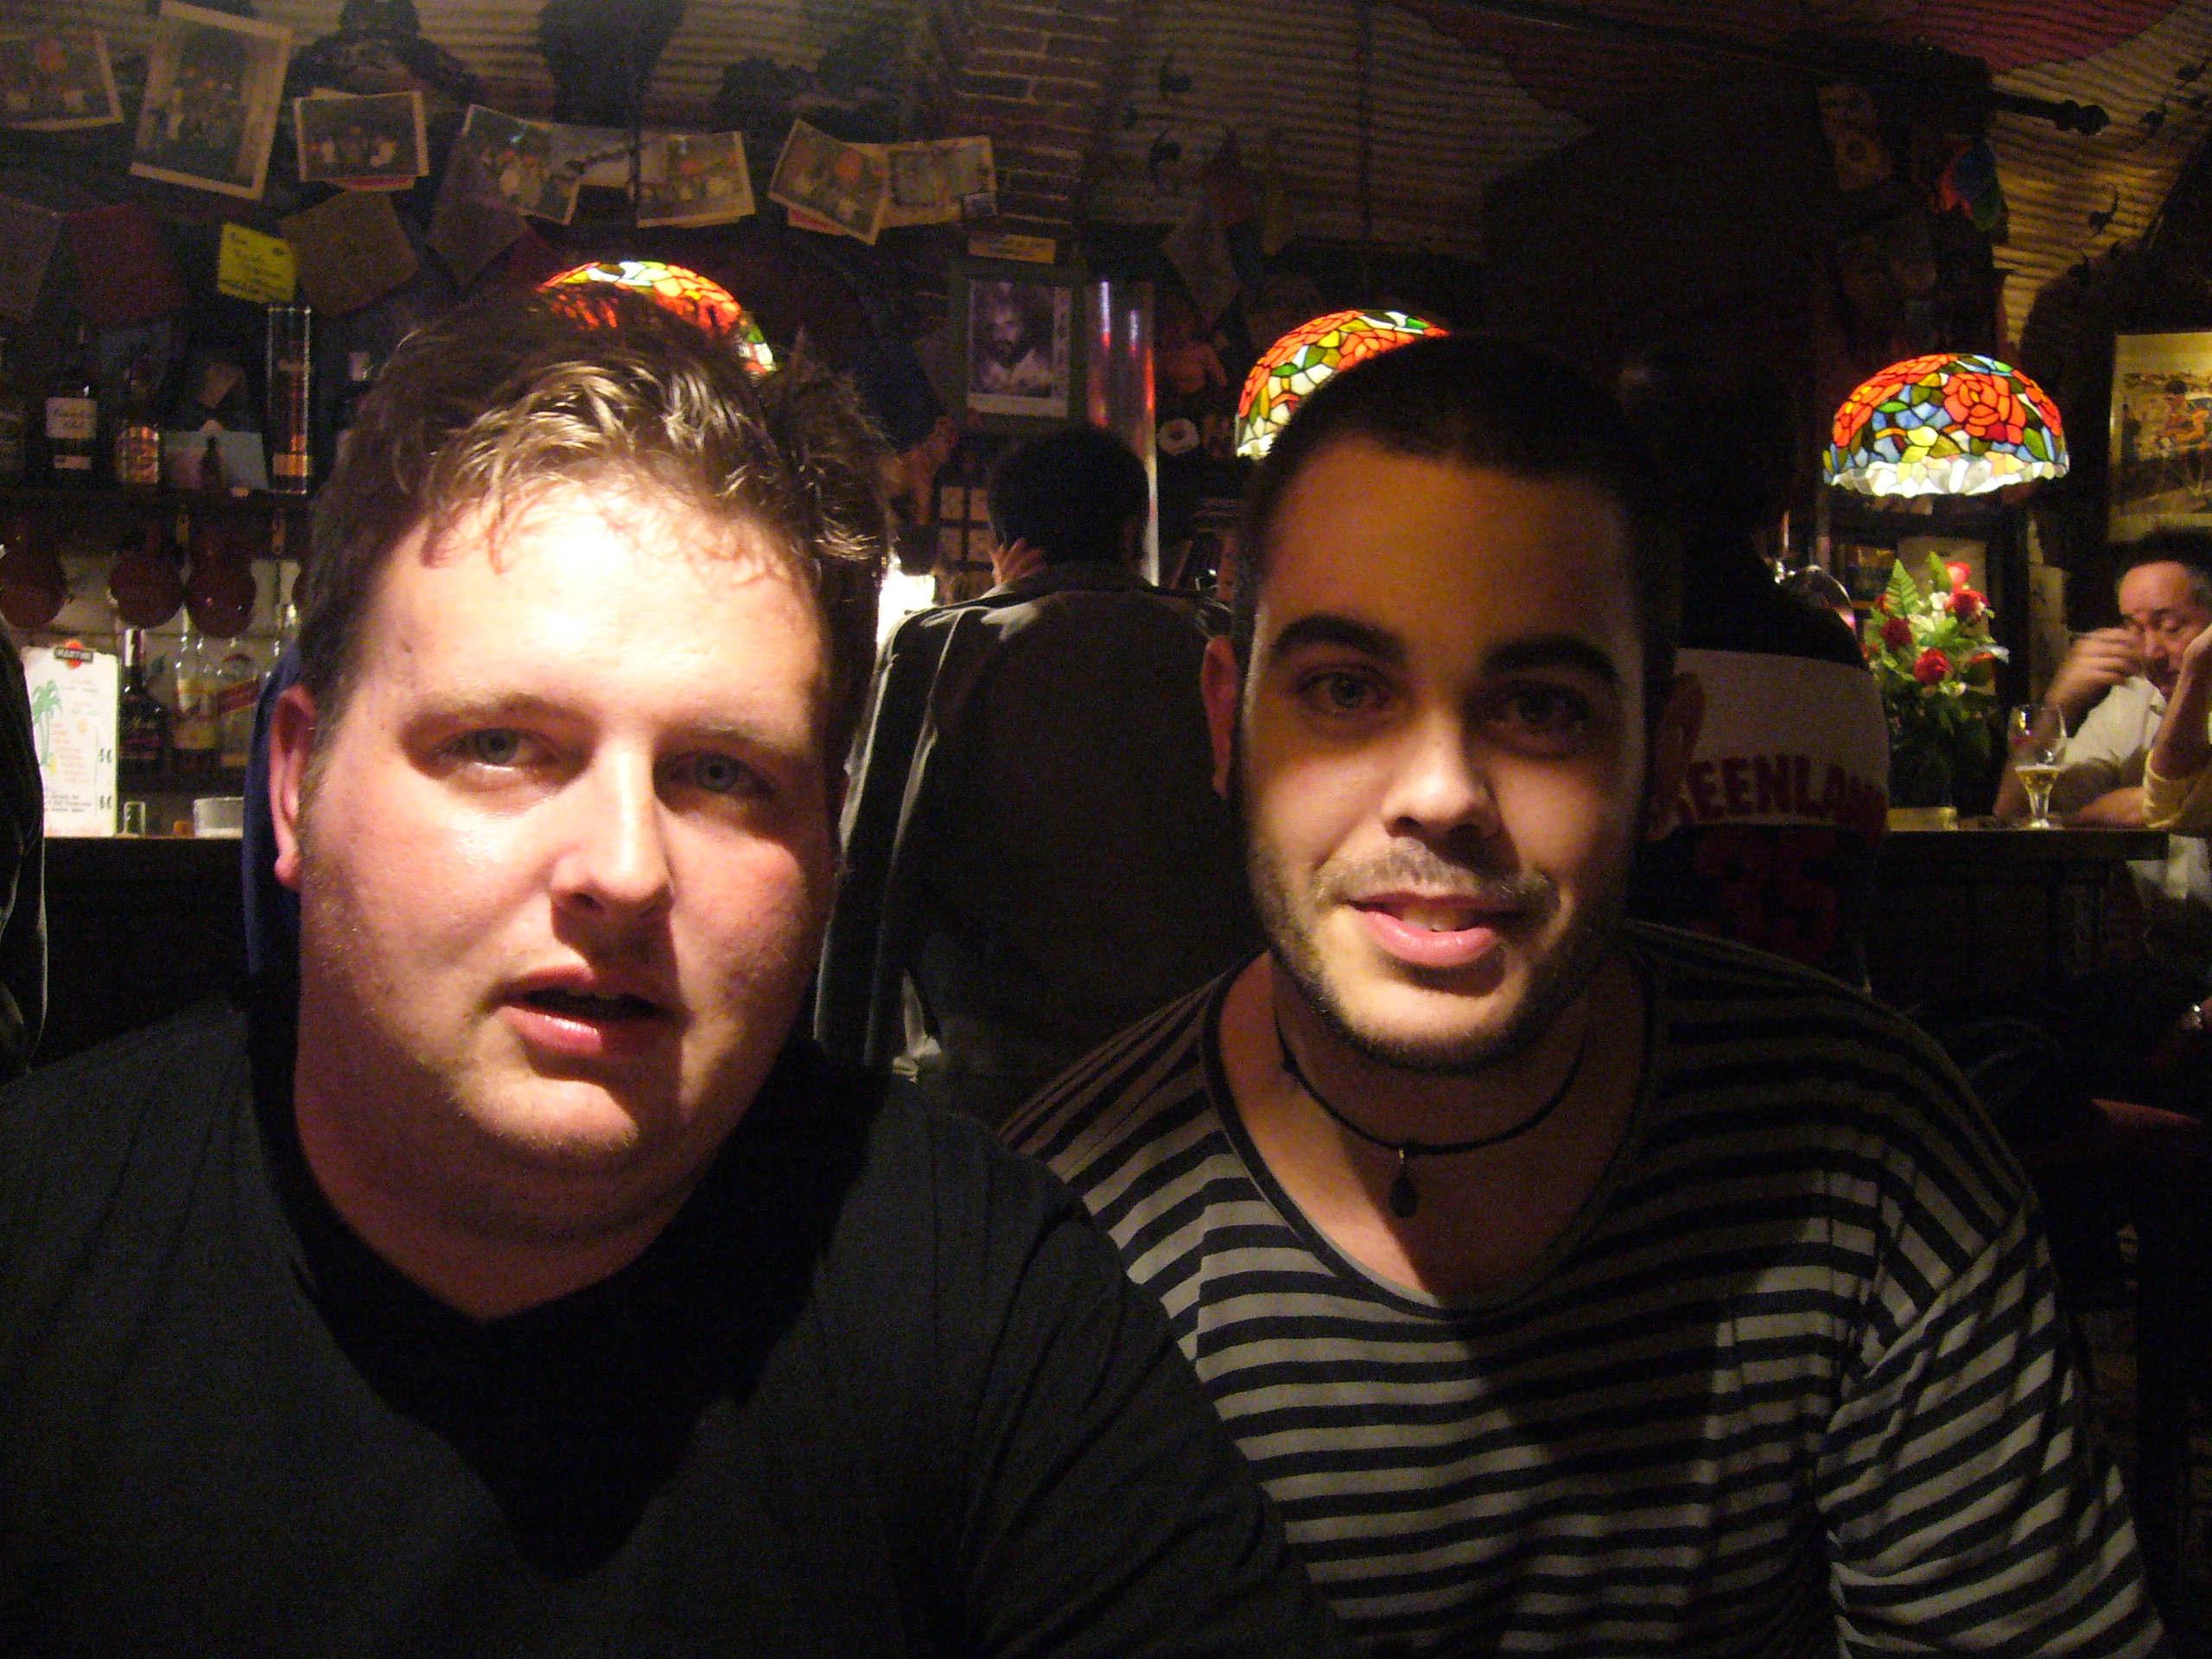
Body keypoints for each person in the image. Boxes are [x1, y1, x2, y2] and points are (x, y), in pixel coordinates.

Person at [0, 285, 1355, 1656]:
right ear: (295, 785)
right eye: (499, 746)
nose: (625, 869)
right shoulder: (38, 1246)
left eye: (721, 773)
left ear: (826, 840)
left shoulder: (991, 1299)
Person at [1010, 334, 2167, 1656]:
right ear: (1229, 725)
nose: (1441, 794)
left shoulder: (1876, 1154)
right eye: (1344, 690)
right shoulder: (1063, 1244)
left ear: (1665, 761)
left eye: (1543, 709)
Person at [819, 424, 1258, 1125]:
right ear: (1131, 532)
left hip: (993, 1087)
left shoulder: (942, 648)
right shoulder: (1216, 641)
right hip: (1202, 1071)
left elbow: (867, 878)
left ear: (1006, 537)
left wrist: (839, 1095)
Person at [1619, 351, 1888, 986]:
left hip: (1656, 1026)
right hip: (1829, 1023)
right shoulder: (1835, 653)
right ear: (1783, 483)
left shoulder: (1623, 643)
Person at [1997, 532, 2212, 985]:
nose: (2150, 652)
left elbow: (2172, 804)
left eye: (2171, 627)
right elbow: (2018, 817)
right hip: (2158, 966)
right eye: (2135, 629)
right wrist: (2061, 700)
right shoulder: (2133, 701)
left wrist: (2128, 808)